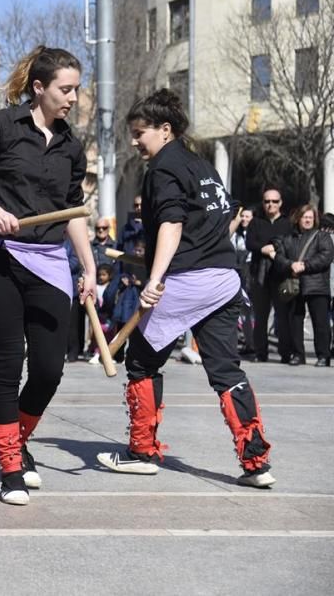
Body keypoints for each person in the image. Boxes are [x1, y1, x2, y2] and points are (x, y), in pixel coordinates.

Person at [96, 88, 275, 489]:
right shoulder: (201, 165)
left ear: (164, 129)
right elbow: (225, 218)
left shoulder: (162, 168)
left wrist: (156, 279)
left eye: (140, 132)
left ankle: (141, 452)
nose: (134, 141)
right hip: (224, 278)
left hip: (189, 278)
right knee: (227, 370)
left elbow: (172, 224)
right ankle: (257, 462)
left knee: (140, 361)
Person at [0, 45, 97, 505]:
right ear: (39, 88)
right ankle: (10, 465)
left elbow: (73, 210)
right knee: (8, 361)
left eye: (76, 89)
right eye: (65, 89)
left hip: (49, 261)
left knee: (51, 367)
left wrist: (89, 268)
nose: (72, 98)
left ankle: (20, 439)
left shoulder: (71, 145)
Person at [271, 204, 333, 367]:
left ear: (315, 220)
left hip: (317, 285)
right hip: (295, 285)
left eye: (310, 217)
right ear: (298, 219)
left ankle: (323, 355)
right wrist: (290, 265)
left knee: (321, 324)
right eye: (305, 217)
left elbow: (325, 257)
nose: (307, 220)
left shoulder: (322, 237)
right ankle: (298, 354)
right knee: (295, 323)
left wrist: (304, 265)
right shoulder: (288, 238)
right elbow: (279, 258)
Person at [246, 188, 294, 362]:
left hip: (281, 276)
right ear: (263, 203)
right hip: (260, 275)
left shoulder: (287, 223)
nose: (270, 205)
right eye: (267, 201)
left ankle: (285, 353)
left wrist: (275, 248)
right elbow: (250, 243)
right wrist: (262, 248)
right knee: (260, 317)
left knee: (283, 317)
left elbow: (291, 244)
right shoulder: (256, 222)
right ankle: (260, 353)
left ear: (280, 203)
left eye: (274, 201)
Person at [231, 207, 255, 354]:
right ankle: (241, 342)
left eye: (248, 216)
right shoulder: (235, 234)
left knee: (250, 311)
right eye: (242, 216)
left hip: (251, 273)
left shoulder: (255, 233)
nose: (245, 219)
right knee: (239, 310)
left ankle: (252, 343)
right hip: (237, 272)